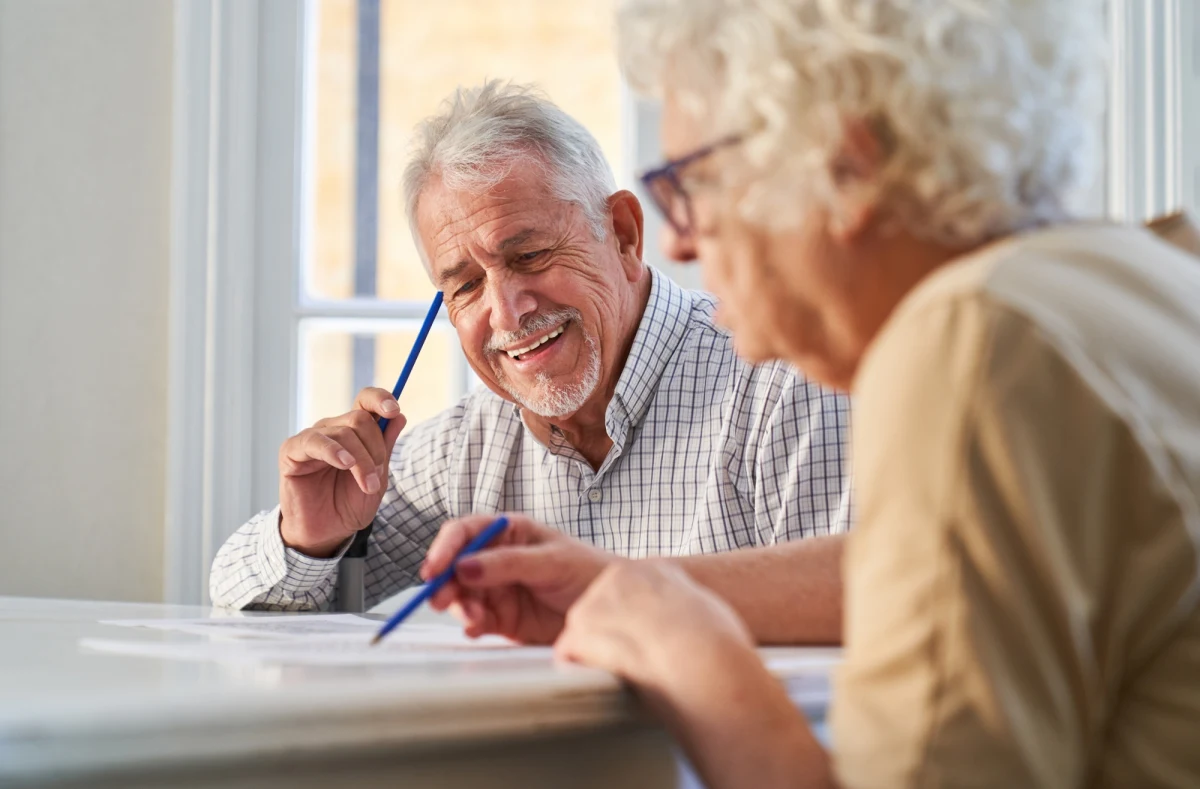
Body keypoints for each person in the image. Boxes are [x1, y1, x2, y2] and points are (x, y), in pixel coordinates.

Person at [421, 1, 1200, 786]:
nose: (680, 241)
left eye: (693, 184)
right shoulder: (1142, 278)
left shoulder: (968, 339)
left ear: (843, 167)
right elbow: (930, 579)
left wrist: (691, 659)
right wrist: (628, 587)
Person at [209, 80, 850, 619]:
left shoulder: (785, 387)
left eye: (531, 255)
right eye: (465, 285)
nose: (507, 311)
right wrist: (308, 540)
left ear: (623, 235)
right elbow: (240, 605)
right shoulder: (465, 449)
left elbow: (860, 627)